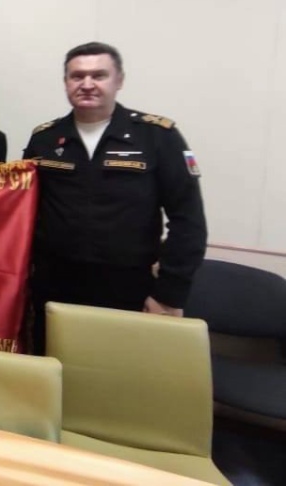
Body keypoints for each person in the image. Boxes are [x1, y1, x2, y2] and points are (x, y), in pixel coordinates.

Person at [24, 41, 207, 354]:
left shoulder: (157, 136)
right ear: (66, 82)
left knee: (120, 373)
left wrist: (169, 294)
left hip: (127, 289)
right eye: (77, 76)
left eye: (99, 75)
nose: (87, 84)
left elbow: (188, 221)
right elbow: (23, 210)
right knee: (52, 369)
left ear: (119, 80)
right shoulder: (45, 138)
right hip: (54, 286)